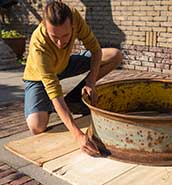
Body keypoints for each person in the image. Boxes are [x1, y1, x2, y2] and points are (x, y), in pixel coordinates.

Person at [23, 1, 122, 156]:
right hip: (39, 78)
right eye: (54, 37)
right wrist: (77, 135)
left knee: (115, 55)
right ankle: (54, 106)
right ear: (44, 25)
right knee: (37, 127)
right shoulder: (38, 44)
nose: (61, 42)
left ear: (72, 24)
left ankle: (74, 100)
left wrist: (90, 82)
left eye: (66, 35)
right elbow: (54, 91)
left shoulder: (75, 17)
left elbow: (96, 50)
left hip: (65, 65)